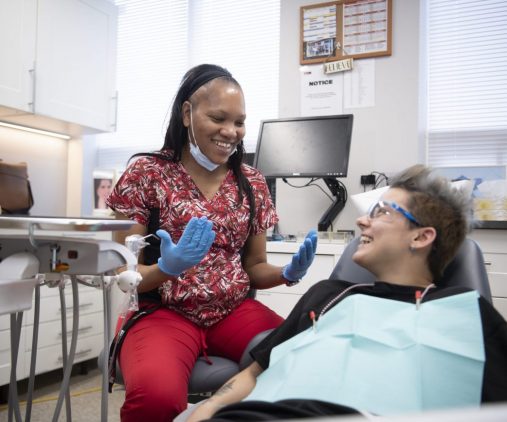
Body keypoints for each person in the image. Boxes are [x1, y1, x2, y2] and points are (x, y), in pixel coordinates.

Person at [185, 164, 507, 422]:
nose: (361, 220)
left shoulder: (465, 313)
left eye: (381, 212)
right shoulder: (328, 295)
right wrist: (206, 410)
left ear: (421, 237)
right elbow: (253, 374)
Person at [105, 64, 318, 421]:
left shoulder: (251, 181)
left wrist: (287, 273)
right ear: (187, 113)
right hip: (161, 311)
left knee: (298, 359)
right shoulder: (146, 173)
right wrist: (166, 268)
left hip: (233, 310)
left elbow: (254, 268)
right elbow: (121, 269)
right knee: (154, 399)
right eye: (219, 118)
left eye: (239, 122)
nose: (230, 132)